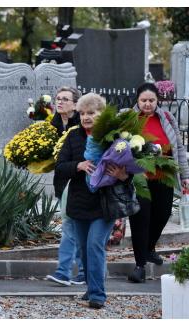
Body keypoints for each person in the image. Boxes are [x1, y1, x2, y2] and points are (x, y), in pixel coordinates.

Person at [55, 93, 128, 308]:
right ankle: (90, 287)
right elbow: (60, 166)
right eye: (83, 113)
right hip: (79, 203)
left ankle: (97, 295)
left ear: (101, 114)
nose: (86, 117)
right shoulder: (73, 136)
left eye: (92, 113)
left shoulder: (113, 137)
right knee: (83, 249)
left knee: (95, 244)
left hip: (104, 203)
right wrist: (78, 165)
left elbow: (129, 169)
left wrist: (123, 175)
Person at [127, 82, 189, 283]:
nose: (147, 104)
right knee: (140, 220)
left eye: (151, 100)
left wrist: (185, 174)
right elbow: (118, 146)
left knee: (163, 214)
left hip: (164, 176)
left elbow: (178, 147)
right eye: (144, 100)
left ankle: (149, 247)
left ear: (157, 101)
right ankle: (139, 266)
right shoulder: (128, 118)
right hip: (140, 178)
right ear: (137, 100)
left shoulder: (167, 118)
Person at [46, 87, 85, 286]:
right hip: (63, 182)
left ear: (75, 104)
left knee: (71, 228)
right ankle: (83, 272)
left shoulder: (81, 125)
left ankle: (65, 271)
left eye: (65, 99)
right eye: (58, 98)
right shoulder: (51, 125)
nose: (59, 102)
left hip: (79, 183)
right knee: (74, 229)